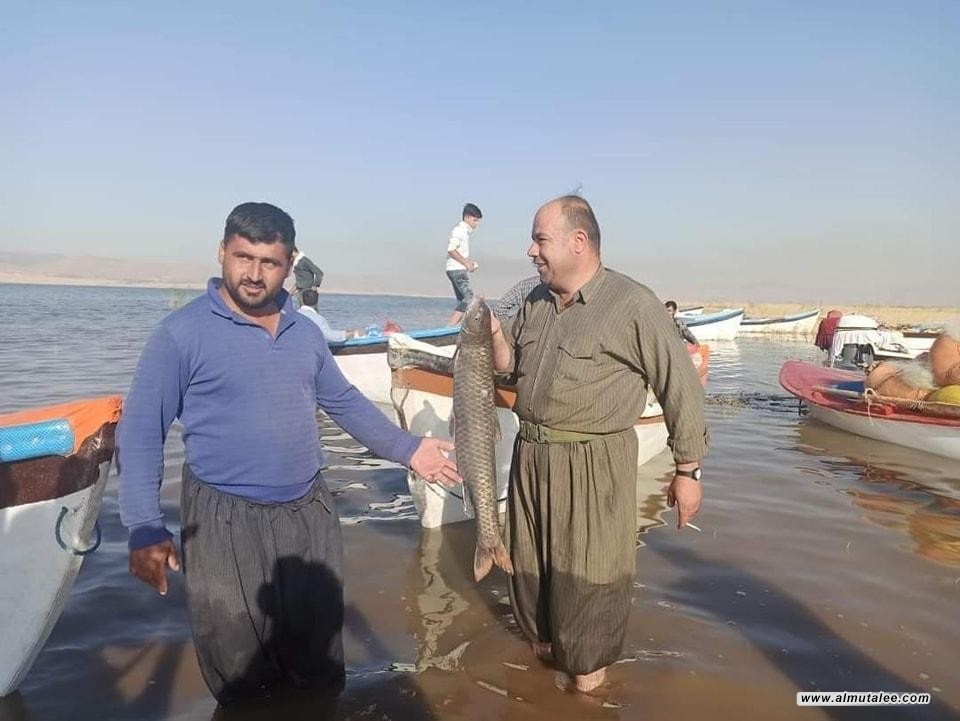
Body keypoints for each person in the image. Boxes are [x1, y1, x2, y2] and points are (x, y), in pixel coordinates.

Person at [116, 202, 459, 705]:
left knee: (318, 663)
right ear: (222, 251)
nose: (254, 274)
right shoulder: (181, 335)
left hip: (307, 514)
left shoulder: (306, 334)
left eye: (269, 262)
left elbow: (343, 402)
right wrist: (144, 525)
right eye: (243, 257)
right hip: (224, 519)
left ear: (290, 262)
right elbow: (142, 430)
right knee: (240, 671)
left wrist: (408, 449)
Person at [488, 196, 708, 693]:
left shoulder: (633, 305)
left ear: (578, 241)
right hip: (531, 460)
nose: (531, 251)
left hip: (593, 467)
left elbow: (681, 388)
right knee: (532, 587)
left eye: (540, 240)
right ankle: (540, 695)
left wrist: (688, 471)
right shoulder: (535, 300)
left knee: (587, 594)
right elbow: (508, 366)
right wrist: (495, 333)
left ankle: (587, 696)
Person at [445, 203, 482, 325]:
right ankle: (449, 327)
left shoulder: (464, 232)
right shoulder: (459, 230)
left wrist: (469, 263)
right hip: (457, 270)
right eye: (474, 220)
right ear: (466, 218)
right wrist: (466, 263)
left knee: (462, 300)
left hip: (456, 269)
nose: (476, 224)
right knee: (469, 299)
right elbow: (451, 249)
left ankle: (454, 327)